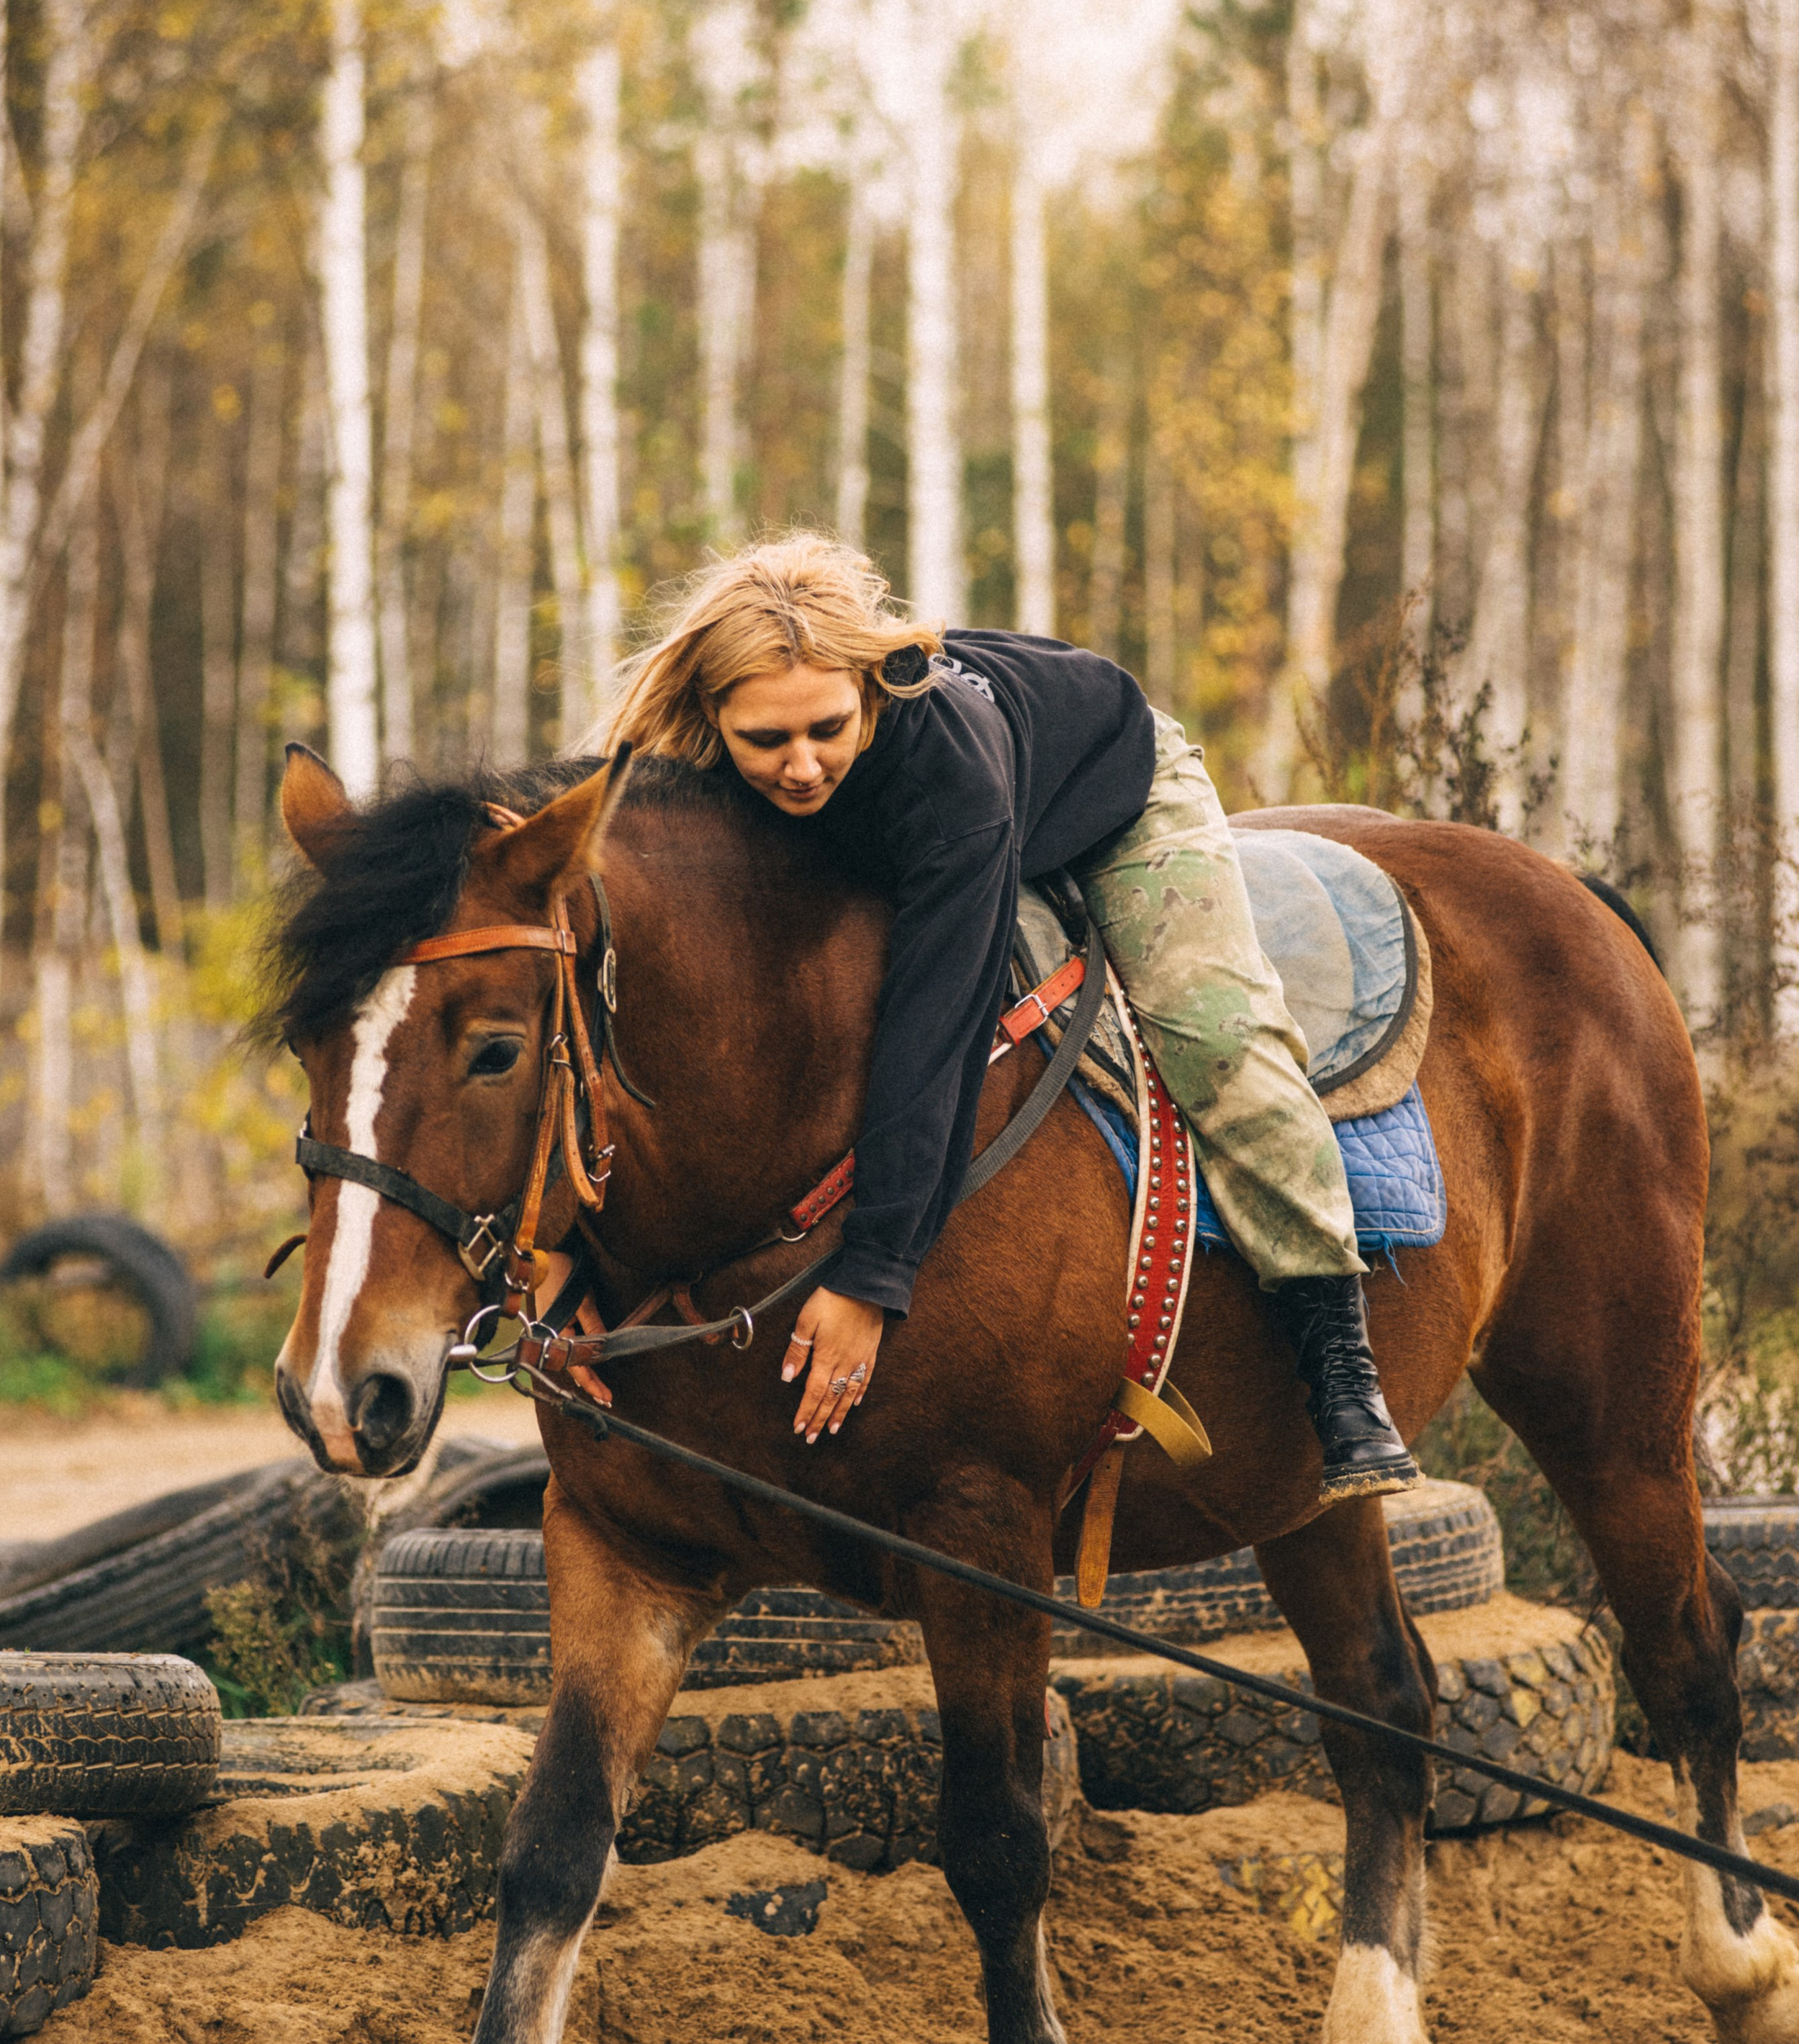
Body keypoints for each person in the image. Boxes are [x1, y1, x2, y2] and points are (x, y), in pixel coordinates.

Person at [603, 533, 1417, 1503]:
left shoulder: (947, 773)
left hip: (1116, 798)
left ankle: (1340, 1373)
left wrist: (875, 1274)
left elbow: (937, 1031)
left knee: (1218, 1036)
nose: (804, 767)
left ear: (873, 688)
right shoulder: (671, 764)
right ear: (709, 720)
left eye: (827, 727)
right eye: (766, 743)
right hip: (928, 826)